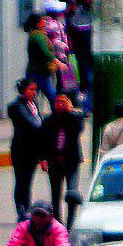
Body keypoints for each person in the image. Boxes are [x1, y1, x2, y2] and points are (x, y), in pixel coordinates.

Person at [7, 78, 45, 221]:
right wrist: (46, 128)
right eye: (31, 89)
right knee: (21, 180)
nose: (34, 93)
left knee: (28, 181)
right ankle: (21, 210)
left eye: (35, 90)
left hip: (33, 150)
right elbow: (33, 124)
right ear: (23, 90)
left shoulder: (33, 105)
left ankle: (27, 209)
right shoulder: (16, 106)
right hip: (21, 150)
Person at [43, 94, 83, 224]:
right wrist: (43, 158)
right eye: (57, 102)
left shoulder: (74, 117)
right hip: (54, 162)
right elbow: (42, 140)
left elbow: (79, 129)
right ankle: (57, 221)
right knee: (56, 194)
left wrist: (70, 111)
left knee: (72, 193)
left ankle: (70, 221)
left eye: (63, 102)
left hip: (72, 161)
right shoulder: (49, 119)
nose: (60, 105)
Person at [25, 14, 62, 103]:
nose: (45, 22)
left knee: (49, 94)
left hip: (40, 71)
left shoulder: (37, 35)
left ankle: (56, 110)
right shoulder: (38, 36)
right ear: (38, 23)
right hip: (38, 72)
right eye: (43, 21)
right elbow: (45, 52)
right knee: (35, 95)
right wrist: (58, 62)